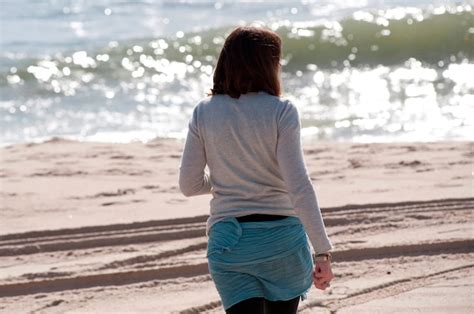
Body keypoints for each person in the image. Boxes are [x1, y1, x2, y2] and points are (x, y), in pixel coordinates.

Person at [178, 25, 334, 314]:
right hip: (282, 243)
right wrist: (322, 251)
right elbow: (298, 186)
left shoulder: (204, 111)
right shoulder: (281, 110)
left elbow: (188, 185)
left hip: (229, 245)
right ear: (269, 65)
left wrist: (228, 179)